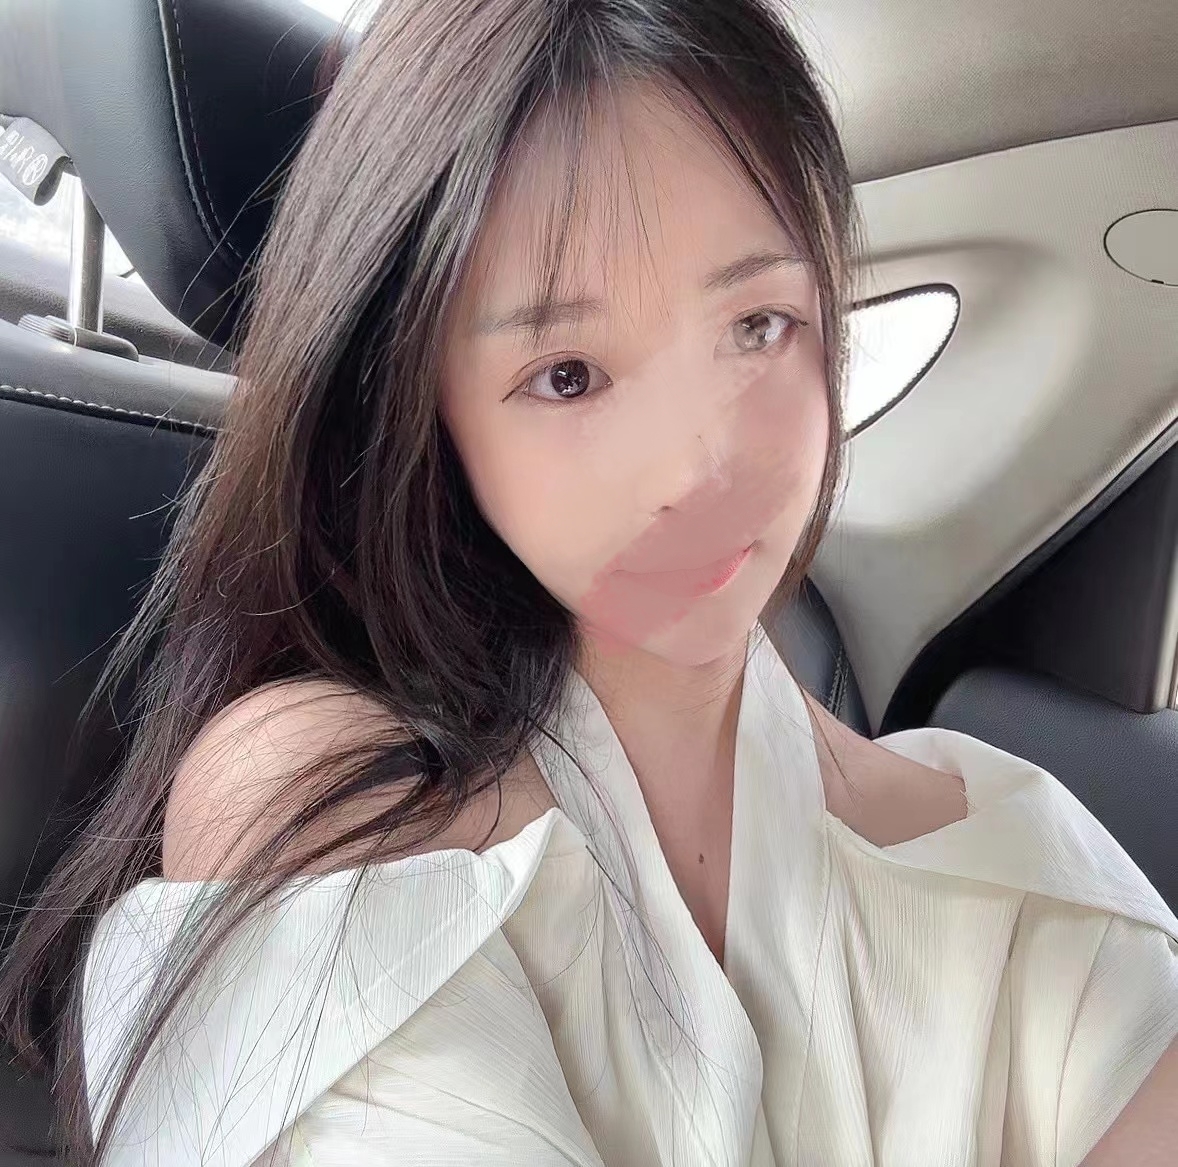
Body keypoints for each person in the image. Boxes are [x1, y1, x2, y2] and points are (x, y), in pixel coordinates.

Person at [2, 0, 1176, 1163]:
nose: (696, 466)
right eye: (566, 374)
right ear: (425, 410)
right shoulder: (334, 804)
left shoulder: (1025, 872)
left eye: (756, 326)